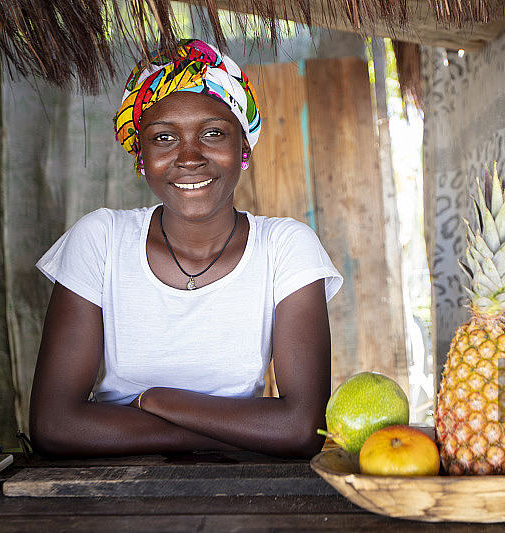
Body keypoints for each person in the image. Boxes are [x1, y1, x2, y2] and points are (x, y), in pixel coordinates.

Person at [29, 39, 342, 458]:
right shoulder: (101, 240)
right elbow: (54, 425)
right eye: (163, 137)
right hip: (115, 484)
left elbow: (302, 428)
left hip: (242, 485)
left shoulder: (284, 247)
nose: (189, 157)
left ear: (243, 148)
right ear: (141, 156)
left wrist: (158, 400)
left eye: (213, 133)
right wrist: (238, 430)